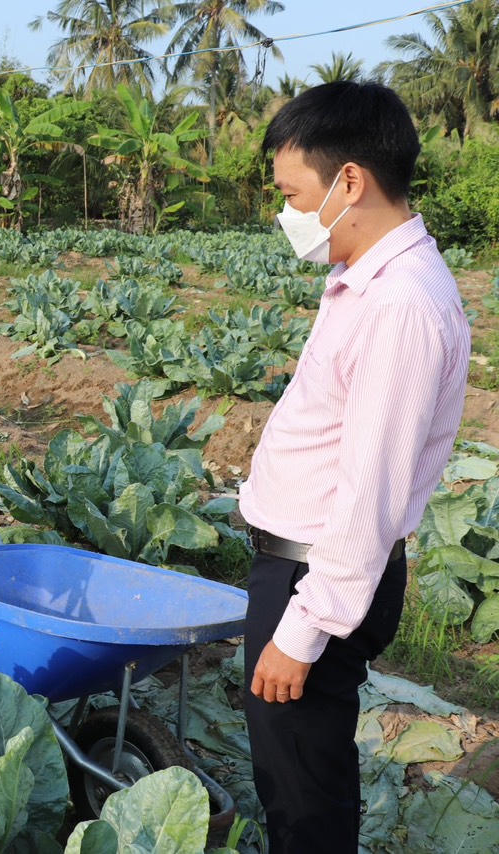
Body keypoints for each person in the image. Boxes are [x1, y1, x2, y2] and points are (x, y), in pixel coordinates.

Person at [240, 81, 470, 852]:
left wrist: (303, 630)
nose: (288, 215)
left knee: (305, 793)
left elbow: (370, 493)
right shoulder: (368, 281)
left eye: (293, 195)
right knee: (294, 774)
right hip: (305, 572)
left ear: (349, 181)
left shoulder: (400, 304)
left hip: (317, 581)